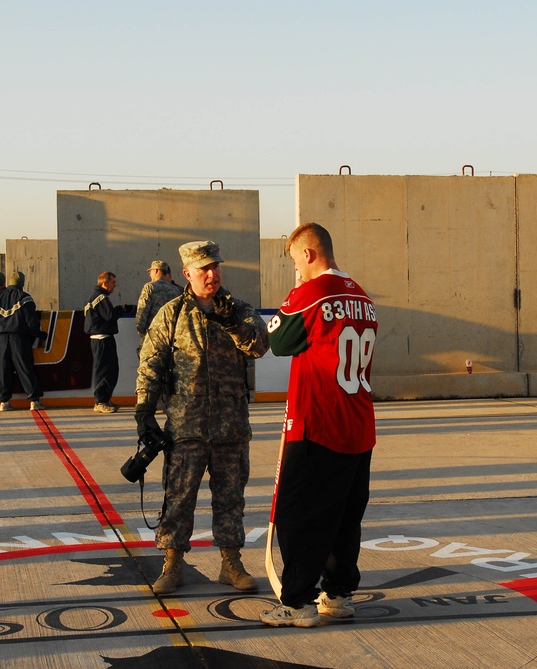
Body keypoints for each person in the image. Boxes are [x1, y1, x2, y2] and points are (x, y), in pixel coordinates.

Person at [259, 223, 378, 628]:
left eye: (295, 262)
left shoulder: (311, 293)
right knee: (346, 515)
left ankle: (296, 602)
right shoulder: (363, 296)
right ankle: (339, 592)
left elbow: (280, 341)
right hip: (359, 423)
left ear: (309, 254)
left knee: (298, 513)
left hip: (318, 422)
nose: (297, 271)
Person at [135, 240, 269, 595]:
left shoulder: (238, 309)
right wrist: (144, 409)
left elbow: (258, 345)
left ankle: (231, 563)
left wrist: (232, 324)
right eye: (204, 269)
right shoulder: (172, 313)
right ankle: (173, 564)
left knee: (230, 499)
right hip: (186, 426)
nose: (212, 274)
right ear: (187, 274)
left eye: (216, 267)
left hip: (230, 426)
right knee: (179, 497)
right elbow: (151, 361)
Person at [0, 271, 47, 412]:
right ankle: (34, 401)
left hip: (2, 339)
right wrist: (39, 335)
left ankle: (4, 402)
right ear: (22, 284)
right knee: (25, 368)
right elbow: (32, 323)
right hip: (20, 339)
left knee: (3, 369)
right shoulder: (25, 298)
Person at [83, 271, 132, 413]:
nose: (115, 286)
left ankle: (105, 398)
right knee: (104, 370)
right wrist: (122, 309)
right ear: (105, 283)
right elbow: (109, 315)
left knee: (111, 370)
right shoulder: (100, 297)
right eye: (113, 282)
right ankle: (100, 401)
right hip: (101, 339)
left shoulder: (96, 296)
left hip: (103, 338)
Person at [135, 260, 183, 345]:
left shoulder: (149, 287)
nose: (149, 274)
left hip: (153, 337)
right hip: (172, 336)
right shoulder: (177, 290)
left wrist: (142, 333)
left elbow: (142, 313)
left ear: (156, 271)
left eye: (150, 271)